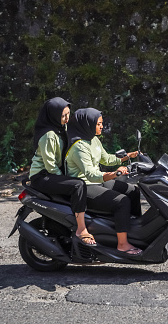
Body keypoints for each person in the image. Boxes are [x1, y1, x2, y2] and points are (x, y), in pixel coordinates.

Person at [66, 108, 142, 255]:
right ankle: (122, 244)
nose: (102, 126)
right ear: (88, 124)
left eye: (102, 123)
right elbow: (91, 175)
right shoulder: (79, 147)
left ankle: (134, 229)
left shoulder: (93, 139)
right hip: (85, 186)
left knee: (133, 191)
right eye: (99, 123)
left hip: (97, 181)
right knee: (122, 201)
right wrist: (115, 174)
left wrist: (128, 156)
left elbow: (106, 159)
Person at [29, 97, 96, 246]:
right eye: (63, 116)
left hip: (52, 173)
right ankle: (81, 229)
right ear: (53, 116)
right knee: (77, 185)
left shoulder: (61, 129)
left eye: (68, 114)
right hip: (42, 176)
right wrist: (65, 180)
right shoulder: (48, 135)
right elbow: (50, 166)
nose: (66, 119)